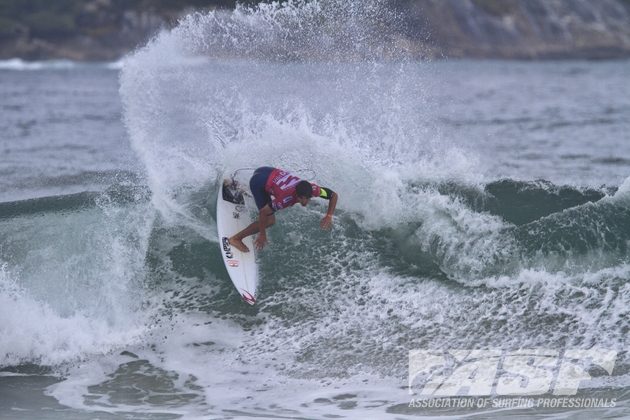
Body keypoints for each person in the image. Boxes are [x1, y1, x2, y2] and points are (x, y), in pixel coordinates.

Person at [229, 166, 338, 252]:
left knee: (269, 195)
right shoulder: (286, 199)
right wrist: (262, 234)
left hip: (266, 170)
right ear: (297, 195)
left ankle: (237, 187)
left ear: (311, 194)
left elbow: (333, 195)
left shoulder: (315, 189)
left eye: (307, 198)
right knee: (270, 221)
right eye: (301, 199)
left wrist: (329, 216)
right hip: (258, 182)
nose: (304, 202)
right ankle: (236, 239)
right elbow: (263, 213)